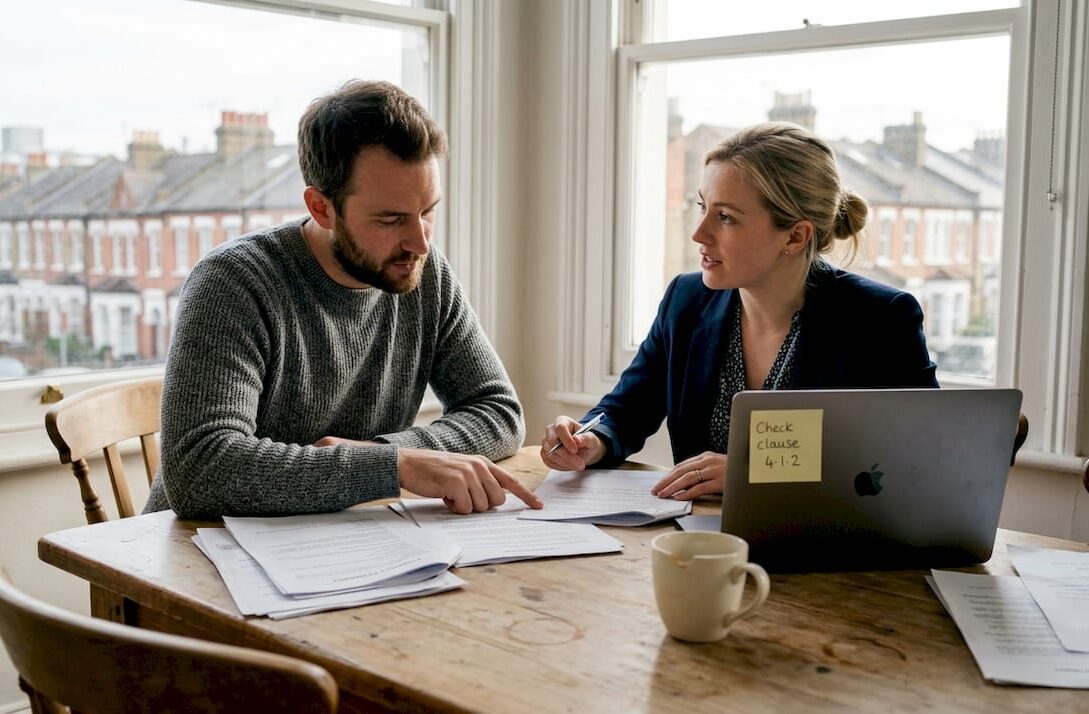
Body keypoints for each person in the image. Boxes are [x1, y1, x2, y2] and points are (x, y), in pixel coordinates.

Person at [145, 79, 541, 519]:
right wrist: (394, 465)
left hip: (347, 544)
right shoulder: (233, 283)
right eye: (391, 220)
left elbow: (498, 413)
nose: (420, 243)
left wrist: (383, 455)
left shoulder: (425, 275)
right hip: (200, 559)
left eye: (428, 211)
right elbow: (200, 471)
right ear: (321, 208)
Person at [541, 122, 938, 499]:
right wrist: (591, 440)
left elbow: (918, 462)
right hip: (701, 542)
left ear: (796, 236)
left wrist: (753, 475)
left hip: (829, 554)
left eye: (726, 217)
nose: (699, 234)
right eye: (702, 208)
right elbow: (626, 411)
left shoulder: (881, 319)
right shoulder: (686, 300)